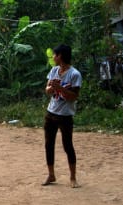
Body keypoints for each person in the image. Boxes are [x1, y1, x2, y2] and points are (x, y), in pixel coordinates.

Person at [42, 44, 82, 188]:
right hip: (51, 113)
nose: (53, 57)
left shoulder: (74, 74)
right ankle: (51, 175)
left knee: (67, 146)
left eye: (55, 54)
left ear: (61, 56)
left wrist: (60, 89)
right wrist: (51, 88)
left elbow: (74, 97)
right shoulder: (54, 71)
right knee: (48, 144)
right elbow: (47, 90)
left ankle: (73, 177)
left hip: (65, 116)